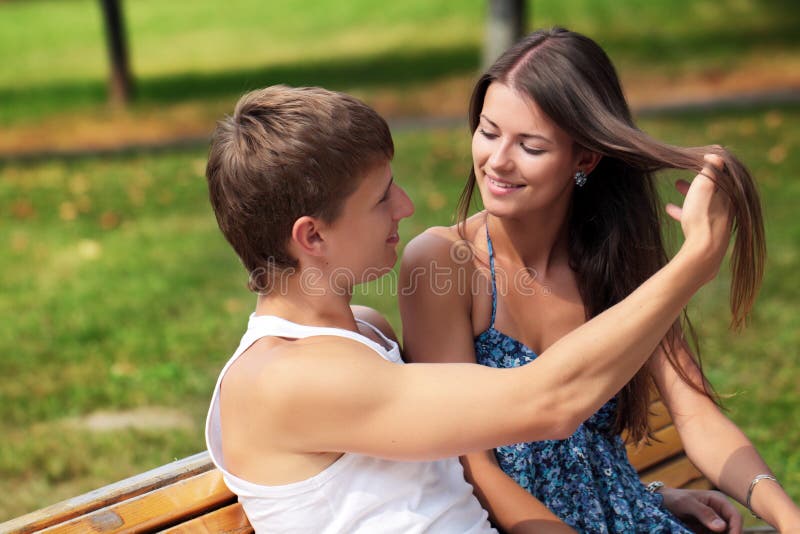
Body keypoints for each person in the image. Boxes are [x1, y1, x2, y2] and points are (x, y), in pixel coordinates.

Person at [203, 84, 734, 533]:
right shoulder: (286, 378)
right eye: (382, 197)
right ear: (312, 235)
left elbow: (463, 470)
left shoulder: (365, 331)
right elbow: (550, 403)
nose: (406, 207)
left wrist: (647, 497)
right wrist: (693, 263)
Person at [399, 27, 800, 533]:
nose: (497, 161)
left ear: (585, 158)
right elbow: (470, 465)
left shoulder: (612, 261)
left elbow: (695, 414)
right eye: (489, 130)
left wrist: (787, 516)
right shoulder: (444, 264)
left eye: (531, 145)